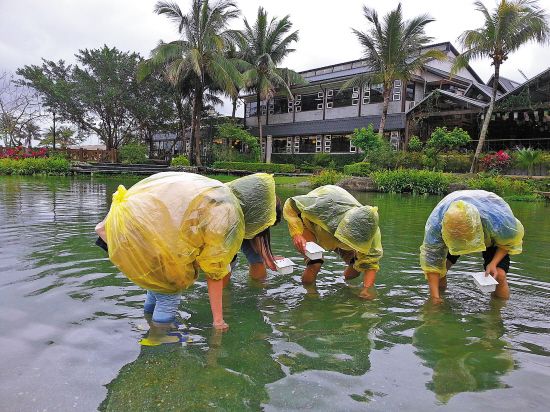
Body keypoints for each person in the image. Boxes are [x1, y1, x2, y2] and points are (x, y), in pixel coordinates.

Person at [95, 172, 279, 344]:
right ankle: (158, 340)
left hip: (130, 227)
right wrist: (218, 320)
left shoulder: (216, 193)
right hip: (152, 245)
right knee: (168, 295)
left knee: (155, 289)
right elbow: (215, 273)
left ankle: (147, 323)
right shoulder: (230, 214)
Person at [420, 190, 524, 303]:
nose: (463, 244)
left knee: (499, 275)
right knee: (440, 270)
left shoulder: (499, 219)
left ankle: (498, 313)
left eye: (464, 238)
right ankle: (441, 298)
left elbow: (508, 241)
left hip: (491, 230)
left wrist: (493, 263)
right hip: (450, 227)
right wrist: (435, 298)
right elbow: (432, 264)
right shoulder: (436, 225)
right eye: (458, 240)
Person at [283, 185, 383, 298]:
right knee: (315, 262)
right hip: (311, 224)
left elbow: (370, 264)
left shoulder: (370, 232)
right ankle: (309, 295)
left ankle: (341, 282)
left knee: (356, 265)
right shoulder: (325, 203)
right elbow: (290, 204)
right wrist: (296, 233)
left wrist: (366, 289)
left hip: (337, 230)